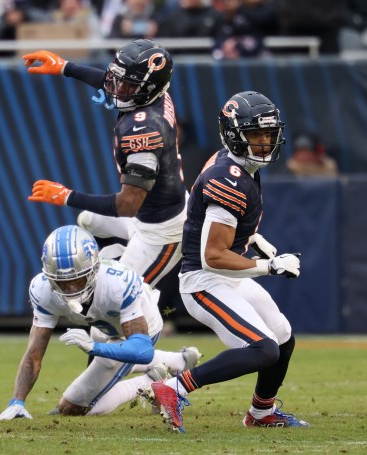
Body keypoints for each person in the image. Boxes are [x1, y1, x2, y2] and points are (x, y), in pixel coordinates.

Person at [140, 91, 310, 432]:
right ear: (234, 134)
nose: (264, 142)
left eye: (267, 134)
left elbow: (221, 226)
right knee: (262, 349)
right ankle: (172, 388)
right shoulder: (228, 178)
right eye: (255, 135)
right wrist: (268, 267)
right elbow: (213, 255)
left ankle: (261, 413)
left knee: (282, 337)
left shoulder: (237, 164)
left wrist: (253, 240)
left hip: (222, 276)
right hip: (204, 280)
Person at [24, 39, 188, 291]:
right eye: (118, 78)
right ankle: (119, 255)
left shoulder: (143, 131)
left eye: (129, 85)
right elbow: (114, 82)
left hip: (161, 231)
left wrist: (67, 196)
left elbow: (127, 204)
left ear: (148, 87)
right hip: (152, 211)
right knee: (89, 220)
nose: (118, 88)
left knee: (115, 300)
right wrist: (65, 67)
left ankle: (130, 289)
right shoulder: (154, 93)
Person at [0, 225, 201, 420]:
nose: (71, 290)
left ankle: (151, 383)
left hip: (141, 328)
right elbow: (34, 353)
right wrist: (17, 401)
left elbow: (142, 349)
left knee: (70, 408)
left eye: (78, 280)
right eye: (62, 282)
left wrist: (95, 348)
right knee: (106, 366)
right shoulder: (42, 289)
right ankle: (179, 361)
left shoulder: (118, 284)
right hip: (102, 325)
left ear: (93, 269)